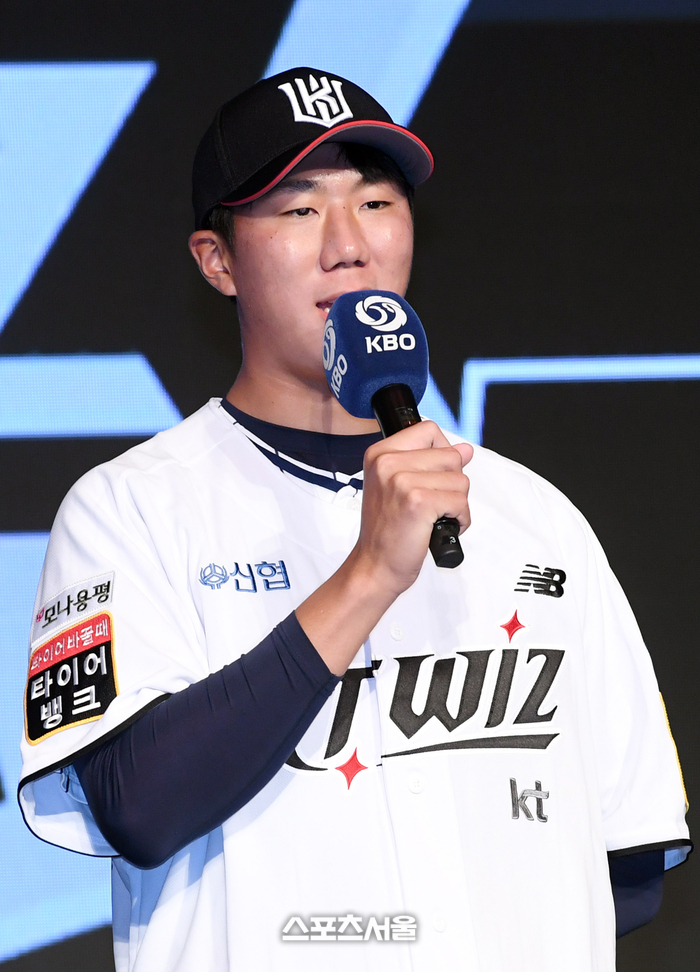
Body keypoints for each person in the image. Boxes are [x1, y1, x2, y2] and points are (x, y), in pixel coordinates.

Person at [19, 67, 690, 972]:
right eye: (299, 210)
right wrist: (369, 575)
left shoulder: (532, 513)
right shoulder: (130, 507)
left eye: (375, 202)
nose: (348, 246)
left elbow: (625, 860)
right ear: (218, 261)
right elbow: (135, 805)